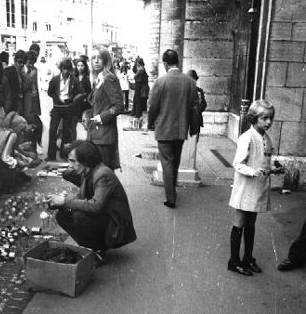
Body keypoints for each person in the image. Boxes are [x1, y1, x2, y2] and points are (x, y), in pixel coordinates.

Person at [47, 140, 136, 264]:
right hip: (104, 216)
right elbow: (81, 196)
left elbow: (96, 205)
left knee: (78, 216)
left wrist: (65, 201)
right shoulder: (87, 171)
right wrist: (62, 202)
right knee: (62, 215)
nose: (70, 165)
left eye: (73, 161)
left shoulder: (102, 174)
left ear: (86, 160)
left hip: (116, 226)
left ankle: (99, 251)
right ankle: (90, 249)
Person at [228, 100, 283, 276]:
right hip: (245, 187)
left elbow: (264, 160)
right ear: (253, 118)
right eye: (264, 118)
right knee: (240, 222)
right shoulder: (247, 138)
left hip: (258, 188)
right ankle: (234, 261)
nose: (268, 122)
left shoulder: (267, 139)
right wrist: (252, 171)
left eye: (271, 118)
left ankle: (247, 258)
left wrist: (273, 168)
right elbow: (237, 163)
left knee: (251, 223)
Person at [147, 49, 198, 209]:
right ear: (178, 62)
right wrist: (193, 127)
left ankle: (171, 198)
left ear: (165, 63)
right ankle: (172, 192)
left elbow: (153, 107)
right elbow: (195, 107)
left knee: (167, 163)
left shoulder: (160, 82)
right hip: (181, 129)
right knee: (175, 162)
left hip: (164, 129)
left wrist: (150, 123)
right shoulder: (190, 82)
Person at [86, 46, 124, 170]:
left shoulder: (108, 77)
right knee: (98, 175)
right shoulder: (99, 78)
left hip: (104, 136)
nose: (96, 61)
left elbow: (118, 106)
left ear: (106, 60)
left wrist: (101, 117)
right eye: (93, 58)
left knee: (103, 175)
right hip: (97, 135)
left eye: (100, 58)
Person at [46, 58, 82, 161]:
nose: (66, 71)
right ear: (61, 69)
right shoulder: (55, 79)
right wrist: (57, 99)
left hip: (68, 107)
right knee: (52, 130)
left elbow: (81, 92)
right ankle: (51, 155)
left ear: (70, 69)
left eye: (68, 69)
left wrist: (73, 99)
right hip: (57, 108)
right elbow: (50, 92)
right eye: (64, 69)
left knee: (66, 132)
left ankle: (63, 154)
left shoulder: (74, 79)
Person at [71, 56, 92, 140]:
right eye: (78, 65)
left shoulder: (87, 78)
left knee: (87, 124)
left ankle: (88, 142)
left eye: (82, 65)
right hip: (74, 104)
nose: (80, 68)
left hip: (84, 104)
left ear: (85, 66)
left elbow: (89, 91)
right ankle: (73, 142)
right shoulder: (73, 77)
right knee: (73, 124)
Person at [2, 50, 26, 115]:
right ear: (15, 61)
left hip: (19, 104)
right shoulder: (8, 71)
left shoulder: (21, 74)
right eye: (20, 62)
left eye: (24, 62)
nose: (22, 64)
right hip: (11, 105)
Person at [187, 69, 207, 140]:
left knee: (195, 140)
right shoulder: (184, 91)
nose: (193, 81)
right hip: (186, 120)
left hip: (196, 119)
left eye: (194, 79)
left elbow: (204, 104)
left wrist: (198, 108)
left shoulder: (199, 91)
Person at [23, 50, 41, 122]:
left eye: (33, 63)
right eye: (29, 63)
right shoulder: (22, 70)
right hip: (24, 98)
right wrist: (30, 77)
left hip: (33, 98)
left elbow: (35, 85)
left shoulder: (34, 70)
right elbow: (24, 87)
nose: (31, 65)